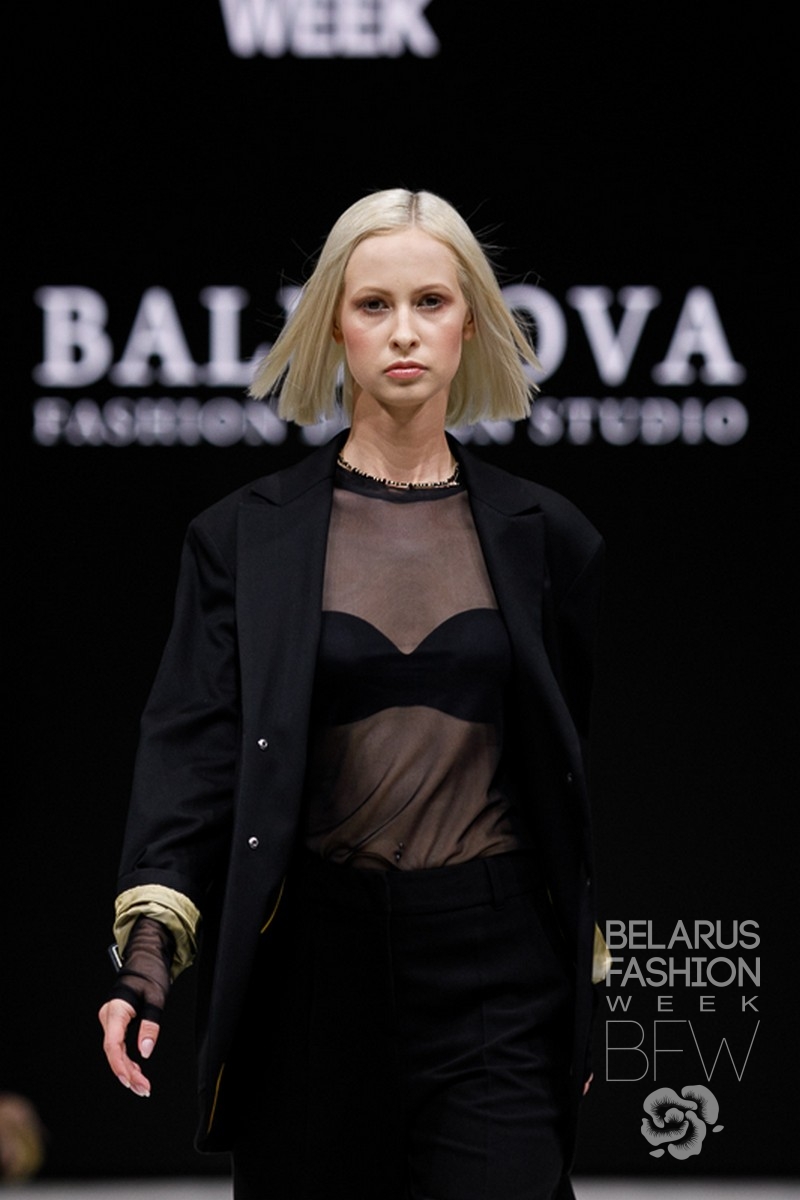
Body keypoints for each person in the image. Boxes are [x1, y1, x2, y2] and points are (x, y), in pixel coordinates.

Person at [99, 188, 608, 1200]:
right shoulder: (243, 539)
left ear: (471, 323)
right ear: (333, 323)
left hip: (497, 970)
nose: (403, 331)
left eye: (430, 301)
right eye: (374, 304)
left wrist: (591, 991)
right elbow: (192, 757)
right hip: (309, 975)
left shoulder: (548, 537)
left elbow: (572, 780)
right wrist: (147, 955)